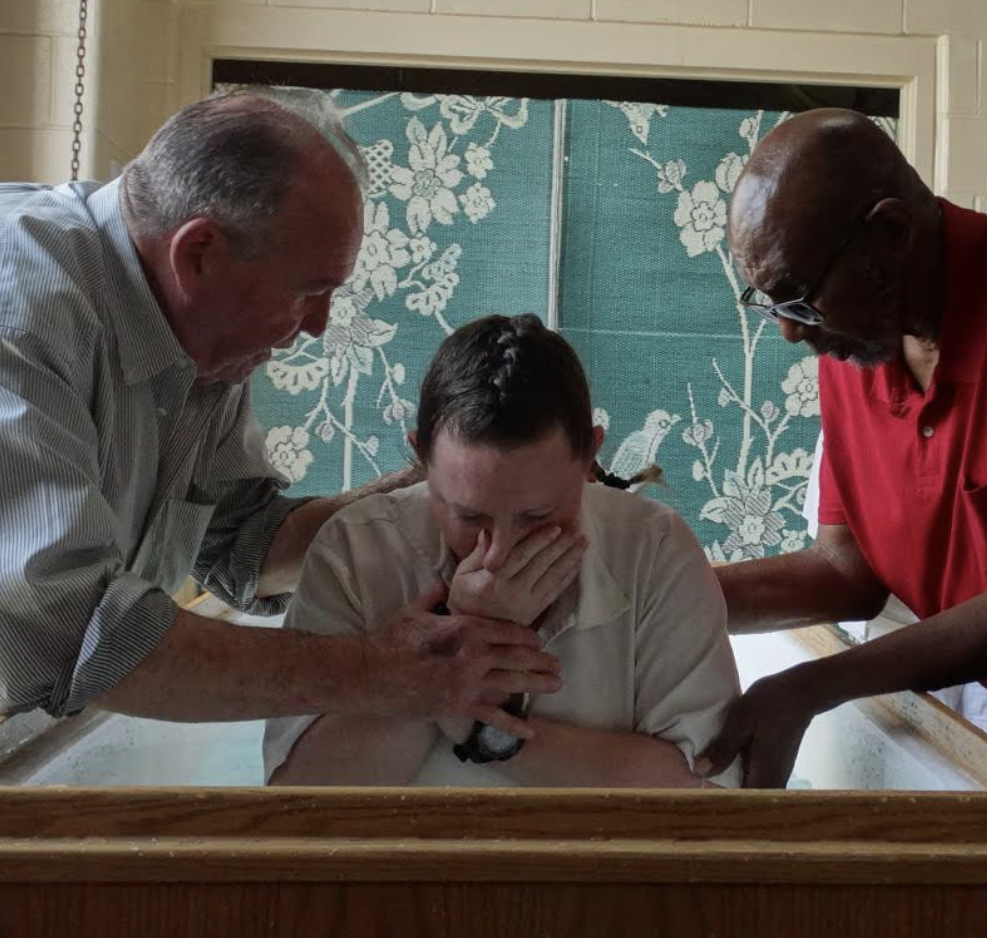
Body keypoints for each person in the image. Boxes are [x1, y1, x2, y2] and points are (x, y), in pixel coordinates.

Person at [0, 89, 559, 841]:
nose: (319, 325)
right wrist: (380, 674)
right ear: (199, 253)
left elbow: (244, 542)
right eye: (309, 292)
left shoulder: (196, 339)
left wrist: (443, 495)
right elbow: (66, 641)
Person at [705, 107, 987, 936]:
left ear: (891, 234)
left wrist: (812, 686)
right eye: (769, 301)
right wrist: (663, 595)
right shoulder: (861, 348)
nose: (789, 331)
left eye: (801, 297)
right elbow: (848, 571)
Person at [264, 313, 743, 788]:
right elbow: (299, 799)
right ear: (421, 459)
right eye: (470, 517)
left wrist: (485, 729)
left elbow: (704, 792)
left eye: (538, 516)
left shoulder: (654, 548)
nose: (499, 552)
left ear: (590, 458)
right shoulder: (354, 549)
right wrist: (446, 659)